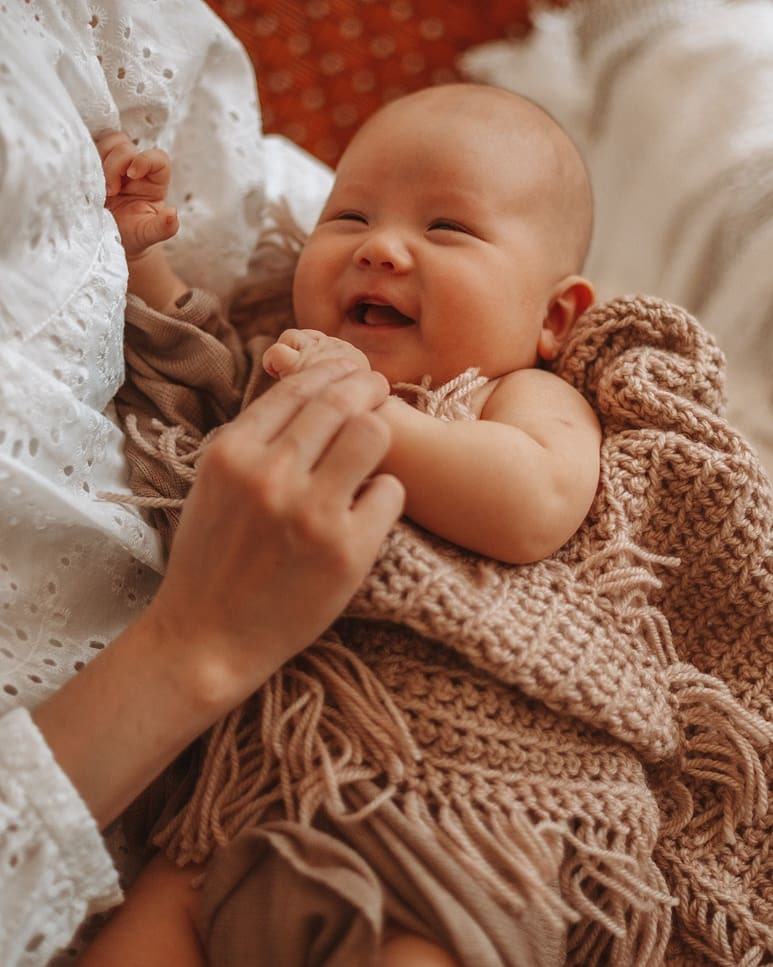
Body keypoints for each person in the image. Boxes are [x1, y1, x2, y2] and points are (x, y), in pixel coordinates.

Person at [80, 83, 600, 966]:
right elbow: (197, 372)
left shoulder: (522, 395)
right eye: (348, 216)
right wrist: (143, 265)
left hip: (436, 824)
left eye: (447, 230)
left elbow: (536, 504)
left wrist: (366, 410)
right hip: (242, 798)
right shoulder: (281, 365)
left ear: (552, 316)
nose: (381, 249)